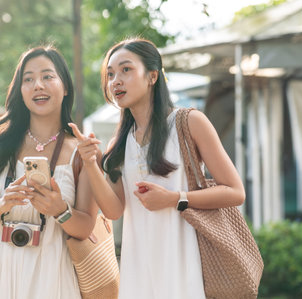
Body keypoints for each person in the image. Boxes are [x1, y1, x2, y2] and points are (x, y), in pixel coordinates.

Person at [69, 38, 245, 299]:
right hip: (139, 269)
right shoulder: (120, 143)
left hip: (186, 265)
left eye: (126, 70)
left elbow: (235, 191)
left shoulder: (189, 122)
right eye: (110, 74)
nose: (115, 80)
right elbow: (114, 211)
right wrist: (92, 164)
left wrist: (174, 199)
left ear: (152, 76)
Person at [0, 45, 98, 299]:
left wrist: (60, 210)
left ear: (65, 87)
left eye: (47, 76)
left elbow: (86, 227)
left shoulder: (82, 152)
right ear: (20, 90)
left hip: (52, 276)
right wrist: (1, 204)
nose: (38, 85)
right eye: (29, 79)